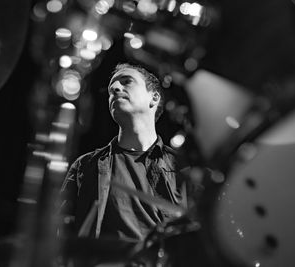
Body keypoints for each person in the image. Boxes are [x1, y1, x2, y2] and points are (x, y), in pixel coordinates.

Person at [59, 63, 196, 242]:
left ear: (154, 98)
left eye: (126, 82)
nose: (115, 88)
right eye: (110, 89)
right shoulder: (84, 166)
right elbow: (58, 231)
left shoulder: (183, 167)